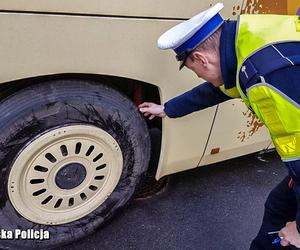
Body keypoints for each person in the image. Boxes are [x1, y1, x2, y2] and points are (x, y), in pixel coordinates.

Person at [138, 2, 300, 249]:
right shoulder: (245, 38)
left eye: (198, 73)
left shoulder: (265, 84)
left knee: (285, 232)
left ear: (201, 59)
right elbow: (219, 89)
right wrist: (167, 109)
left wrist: (299, 229)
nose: (203, 79)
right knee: (277, 206)